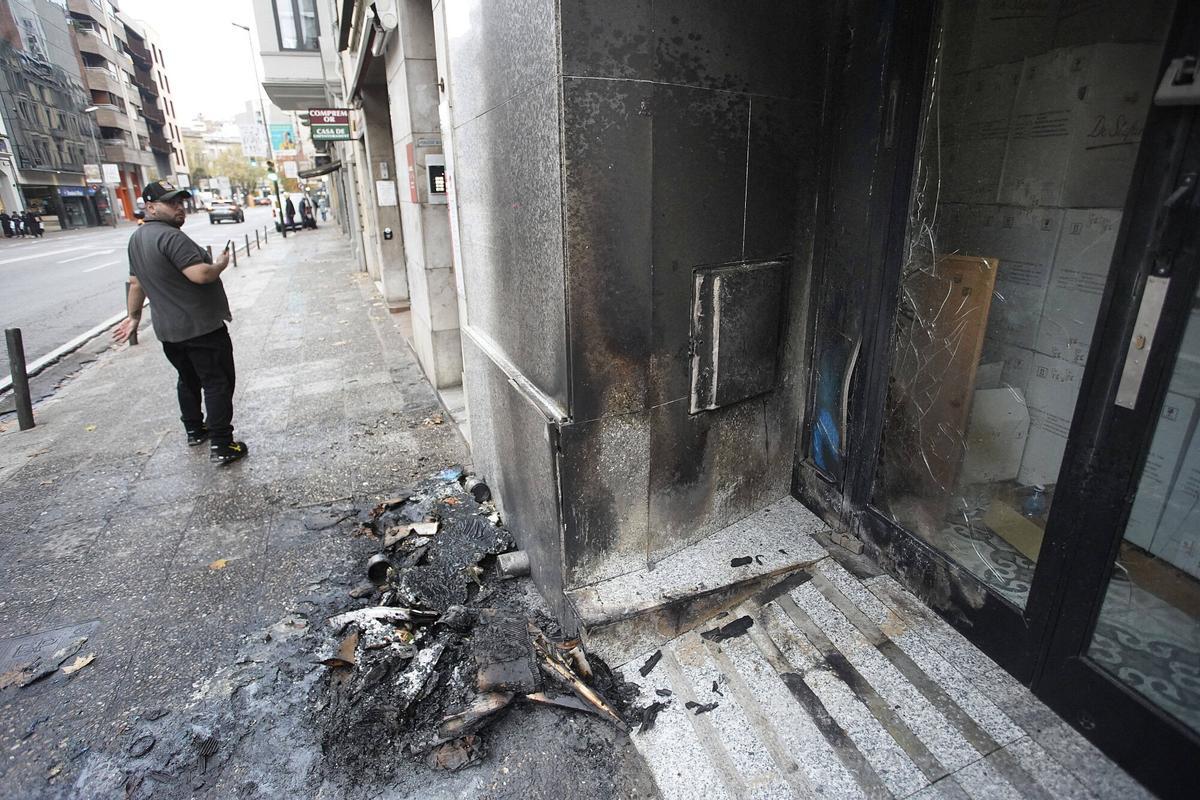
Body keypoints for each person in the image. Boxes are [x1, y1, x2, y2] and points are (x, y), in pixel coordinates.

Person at [112, 181, 248, 465]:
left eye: (180, 202)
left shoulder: (137, 239)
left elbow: (135, 284)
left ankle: (195, 430)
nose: (179, 208)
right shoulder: (172, 238)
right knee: (218, 382)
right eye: (171, 203)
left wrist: (134, 316)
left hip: (169, 332)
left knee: (188, 379)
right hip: (201, 328)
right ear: (150, 207)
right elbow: (201, 275)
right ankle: (223, 444)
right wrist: (221, 263)